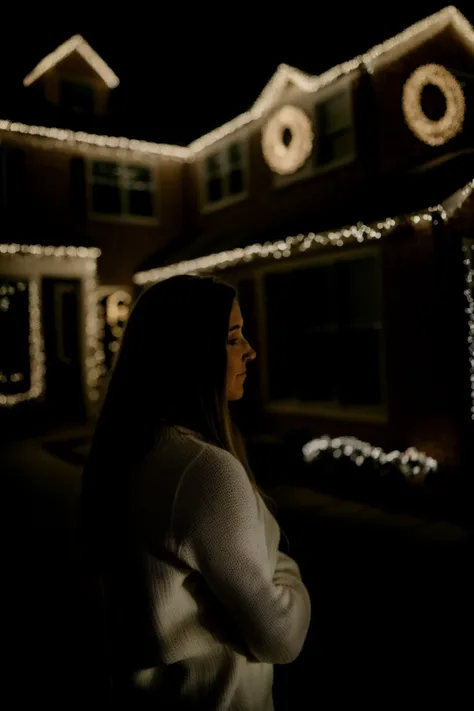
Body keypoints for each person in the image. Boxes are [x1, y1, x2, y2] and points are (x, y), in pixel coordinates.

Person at [80, 274, 311, 710]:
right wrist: (290, 577)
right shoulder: (205, 473)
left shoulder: (133, 451)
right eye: (232, 338)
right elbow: (280, 638)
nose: (250, 351)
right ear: (190, 353)